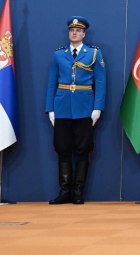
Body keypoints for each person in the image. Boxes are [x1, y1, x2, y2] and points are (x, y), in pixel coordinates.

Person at [45, 16, 106, 205]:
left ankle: (78, 192)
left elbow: (101, 82)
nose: (74, 33)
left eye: (78, 30)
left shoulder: (93, 53)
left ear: (84, 34)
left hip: (85, 107)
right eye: (72, 30)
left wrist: (97, 107)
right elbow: (52, 82)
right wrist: (50, 109)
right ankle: (64, 191)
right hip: (62, 106)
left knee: (83, 148)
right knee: (62, 148)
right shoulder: (58, 54)